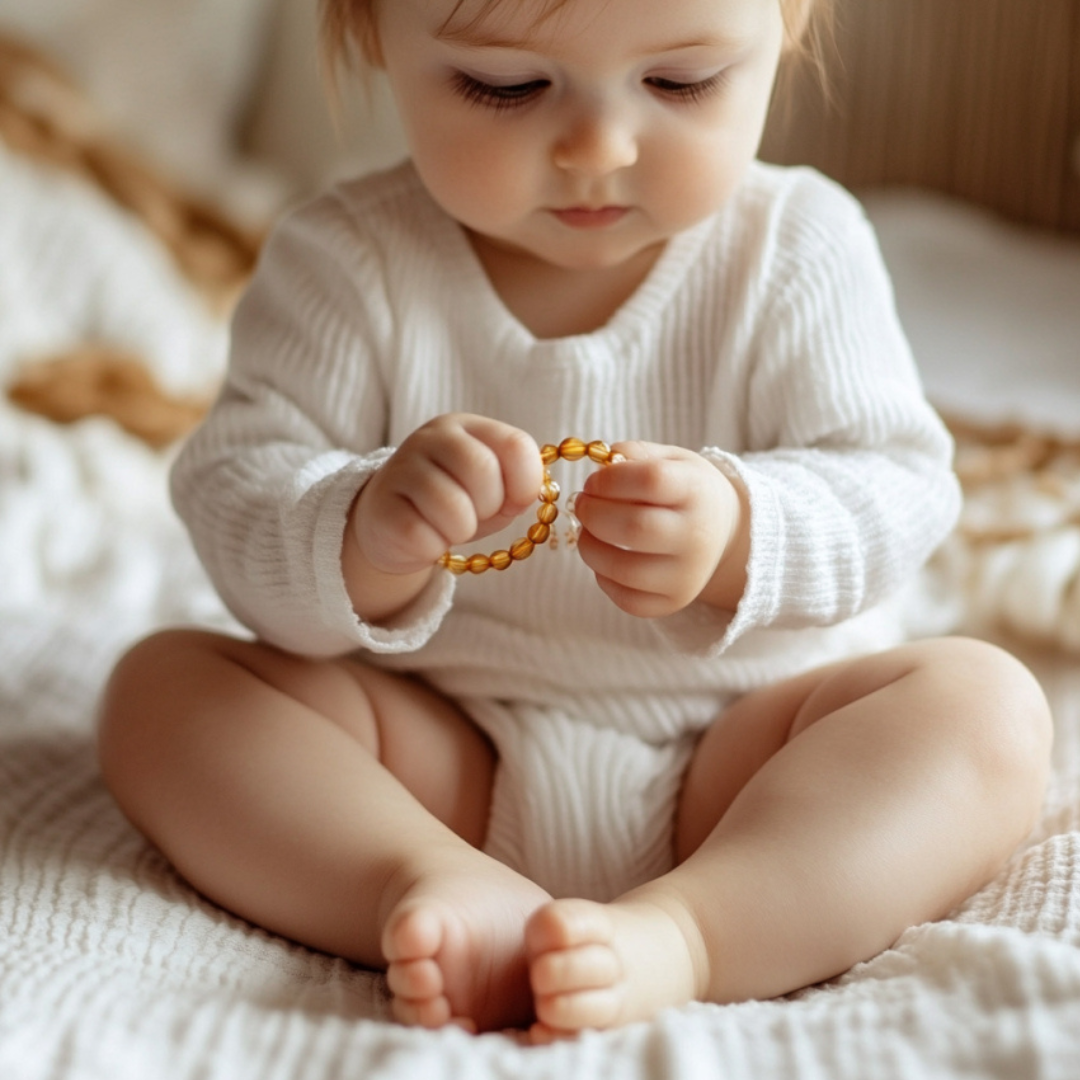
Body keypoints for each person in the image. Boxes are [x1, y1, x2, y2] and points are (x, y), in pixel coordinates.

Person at [97, 0, 1053, 1041]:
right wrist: (360, 528)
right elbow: (236, 491)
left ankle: (692, 934)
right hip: (437, 760)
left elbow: (899, 490)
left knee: (988, 710)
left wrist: (742, 528)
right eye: (504, 87)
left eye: (681, 82)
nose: (599, 148)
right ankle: (422, 882)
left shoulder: (797, 249)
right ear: (374, 32)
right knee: (162, 691)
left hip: (746, 762)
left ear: (782, 28)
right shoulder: (344, 261)